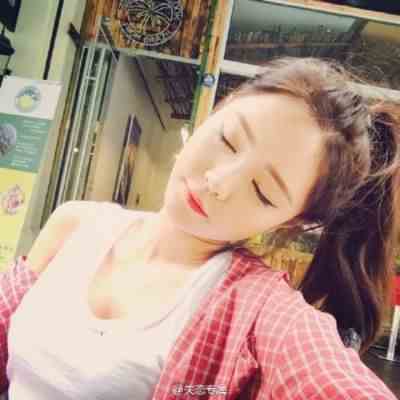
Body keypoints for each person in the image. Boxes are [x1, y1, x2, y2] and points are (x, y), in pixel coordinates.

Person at [0, 57, 398, 399]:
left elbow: (328, 378)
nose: (220, 183)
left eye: (262, 192)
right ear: (220, 107)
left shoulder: (256, 308)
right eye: (228, 140)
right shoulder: (75, 225)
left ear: (292, 220)